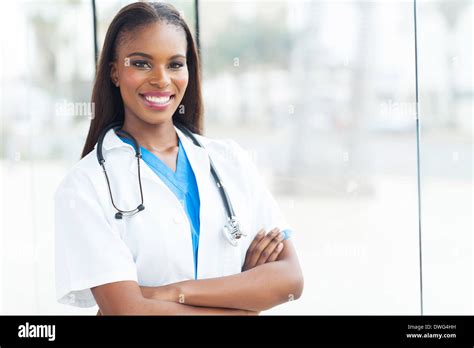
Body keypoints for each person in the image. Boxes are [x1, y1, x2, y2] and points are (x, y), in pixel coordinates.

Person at [55, 1, 303, 315]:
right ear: (114, 71)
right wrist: (244, 303)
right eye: (142, 63)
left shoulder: (230, 161)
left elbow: (291, 280)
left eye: (175, 64)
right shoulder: (84, 186)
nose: (161, 79)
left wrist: (168, 293)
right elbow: (128, 312)